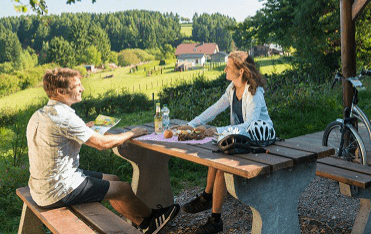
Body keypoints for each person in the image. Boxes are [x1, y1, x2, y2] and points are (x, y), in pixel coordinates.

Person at [26, 68, 180, 234]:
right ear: (61, 91)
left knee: (113, 179)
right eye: (77, 85)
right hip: (58, 190)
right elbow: (101, 144)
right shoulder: (65, 117)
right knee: (123, 189)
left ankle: (140, 221)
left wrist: (83, 129)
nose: (82, 88)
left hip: (42, 186)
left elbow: (57, 138)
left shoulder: (40, 114)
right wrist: (131, 133)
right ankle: (151, 222)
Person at [174, 51, 272, 234]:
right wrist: (191, 124)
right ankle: (206, 197)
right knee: (215, 154)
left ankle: (215, 220)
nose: (225, 68)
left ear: (241, 71)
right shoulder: (232, 89)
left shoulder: (254, 92)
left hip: (258, 141)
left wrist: (218, 130)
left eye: (228, 66)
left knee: (221, 166)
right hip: (241, 140)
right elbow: (215, 108)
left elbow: (250, 126)